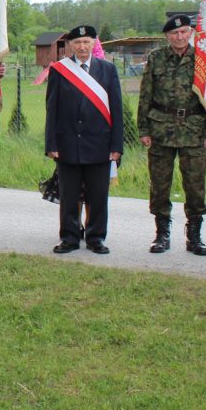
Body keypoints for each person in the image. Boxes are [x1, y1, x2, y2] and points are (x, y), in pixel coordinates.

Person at [137, 15, 206, 256]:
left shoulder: (203, 59)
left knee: (195, 186)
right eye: (174, 33)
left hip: (193, 128)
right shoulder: (156, 58)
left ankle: (195, 236)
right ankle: (162, 234)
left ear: (190, 32)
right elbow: (145, 95)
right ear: (167, 36)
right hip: (161, 128)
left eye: (183, 32)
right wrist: (143, 129)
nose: (179, 37)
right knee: (160, 186)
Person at [46, 25, 123, 254]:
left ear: (94, 43)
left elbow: (116, 110)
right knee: (69, 196)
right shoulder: (60, 70)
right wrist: (51, 144)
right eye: (77, 43)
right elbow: (52, 109)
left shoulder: (108, 70)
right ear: (71, 45)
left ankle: (95, 238)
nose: (81, 47)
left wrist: (116, 146)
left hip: (99, 144)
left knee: (98, 196)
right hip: (68, 143)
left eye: (86, 42)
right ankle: (69, 238)